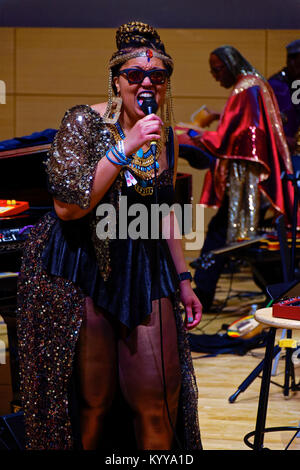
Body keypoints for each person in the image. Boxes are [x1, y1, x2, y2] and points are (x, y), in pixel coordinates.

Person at [17, 21, 202, 451]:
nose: (146, 84)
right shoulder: (83, 122)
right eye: (134, 75)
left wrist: (184, 278)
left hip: (143, 265)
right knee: (92, 403)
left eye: (157, 77)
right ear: (116, 80)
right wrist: (126, 146)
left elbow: (164, 211)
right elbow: (69, 206)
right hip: (82, 265)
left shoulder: (163, 133)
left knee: (156, 400)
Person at [177, 45, 294, 311]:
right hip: (246, 180)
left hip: (247, 184)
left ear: (231, 64)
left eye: (217, 70)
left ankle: (205, 295)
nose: (215, 76)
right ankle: (275, 297)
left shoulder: (247, 88)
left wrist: (192, 135)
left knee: (234, 240)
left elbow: (244, 136)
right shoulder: (251, 85)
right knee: (241, 241)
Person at [268, 39, 300, 155]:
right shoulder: (275, 86)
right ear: (291, 61)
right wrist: (282, 138)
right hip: (281, 151)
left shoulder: (297, 83)